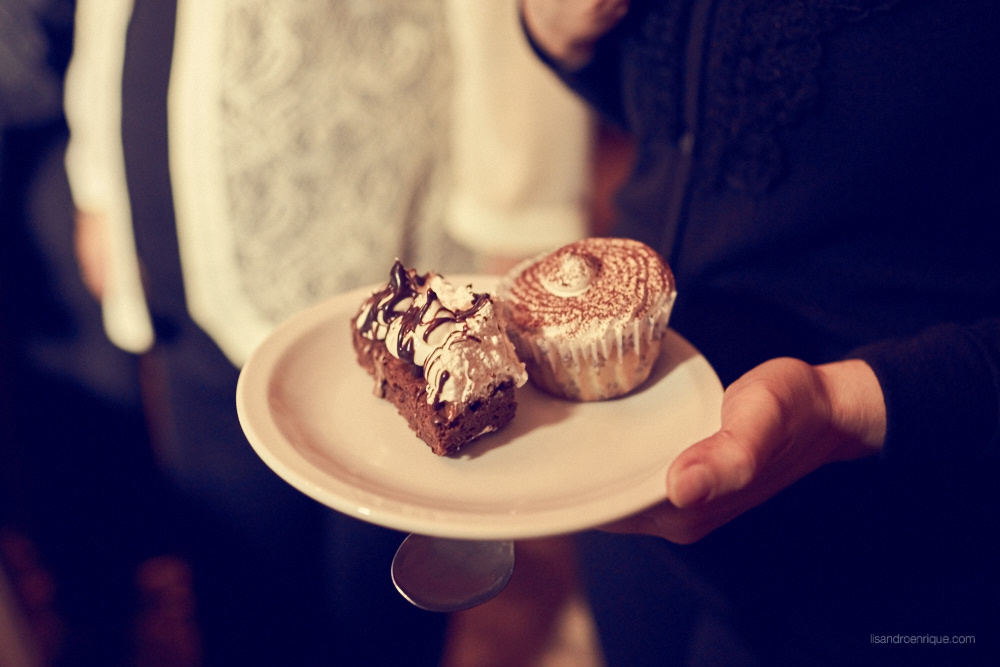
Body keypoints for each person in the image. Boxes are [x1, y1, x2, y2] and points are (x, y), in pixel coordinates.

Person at [64, 0, 593, 663]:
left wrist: (522, 215)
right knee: (237, 585)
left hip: (375, 279)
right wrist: (99, 176)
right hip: (183, 261)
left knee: (370, 616)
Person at [520, 0, 1000, 664]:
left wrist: (845, 407)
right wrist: (556, 32)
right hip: (631, 484)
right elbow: (693, 113)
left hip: (891, 541)